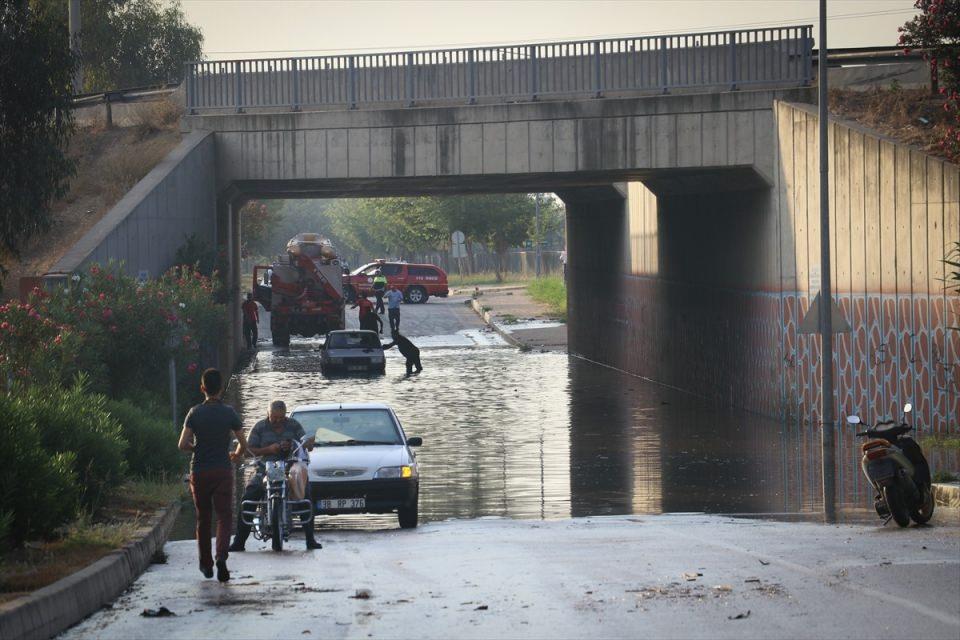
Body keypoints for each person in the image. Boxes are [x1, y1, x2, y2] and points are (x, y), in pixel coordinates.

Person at [178, 368, 249, 582]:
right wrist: (236, 454)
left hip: (199, 470)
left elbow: (182, 444)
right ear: (221, 388)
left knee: (203, 518)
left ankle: (206, 564)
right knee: (224, 516)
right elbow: (243, 443)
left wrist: (196, 448)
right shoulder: (229, 413)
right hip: (222, 470)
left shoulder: (194, 412)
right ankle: (221, 557)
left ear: (202, 388)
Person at [228, 400, 322, 551]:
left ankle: (310, 539)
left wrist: (304, 443)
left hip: (290, 470)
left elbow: (306, 443)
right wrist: (269, 449)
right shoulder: (259, 427)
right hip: (264, 470)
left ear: (285, 415)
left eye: (281, 418)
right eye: (274, 418)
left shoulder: (294, 425)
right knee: (249, 495)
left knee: (306, 495)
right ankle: (239, 541)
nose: (278, 421)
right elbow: (247, 451)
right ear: (268, 414)